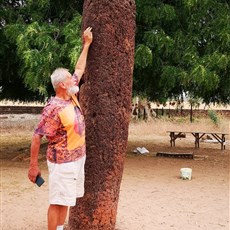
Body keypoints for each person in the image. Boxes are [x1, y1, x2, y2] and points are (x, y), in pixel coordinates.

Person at [28, 27, 93, 230]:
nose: (73, 80)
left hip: (77, 159)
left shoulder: (71, 94)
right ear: (62, 85)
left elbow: (79, 69)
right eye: (69, 79)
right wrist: (33, 166)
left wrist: (87, 44)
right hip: (62, 163)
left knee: (66, 200)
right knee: (57, 201)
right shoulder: (53, 108)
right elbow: (37, 137)